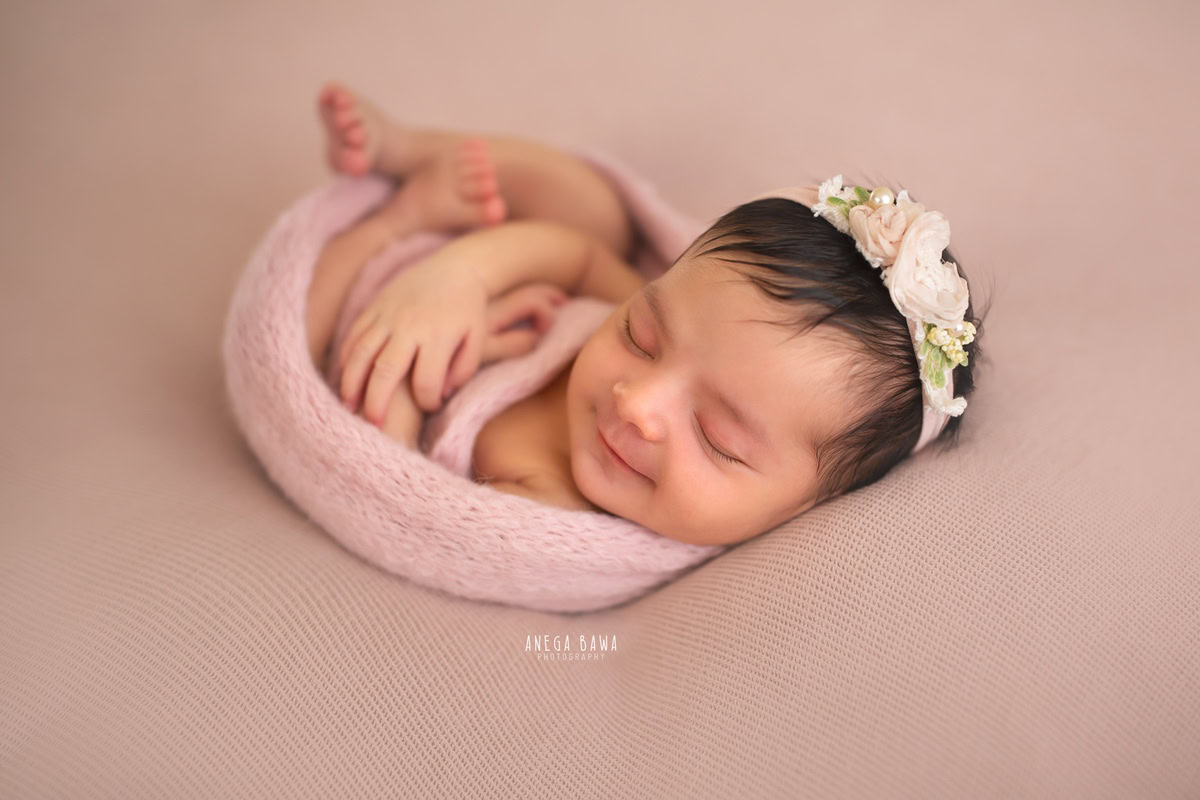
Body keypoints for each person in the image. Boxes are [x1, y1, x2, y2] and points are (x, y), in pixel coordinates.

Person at [306, 81, 990, 547]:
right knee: (592, 209)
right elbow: (578, 258)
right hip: (448, 285)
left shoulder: (548, 514)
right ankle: (411, 150)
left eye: (718, 439)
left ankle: (396, 212)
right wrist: (460, 276)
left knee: (334, 348)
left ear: (806, 508)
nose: (637, 402)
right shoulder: (655, 314)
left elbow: (395, 490)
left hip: (374, 321)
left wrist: (416, 338)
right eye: (641, 334)